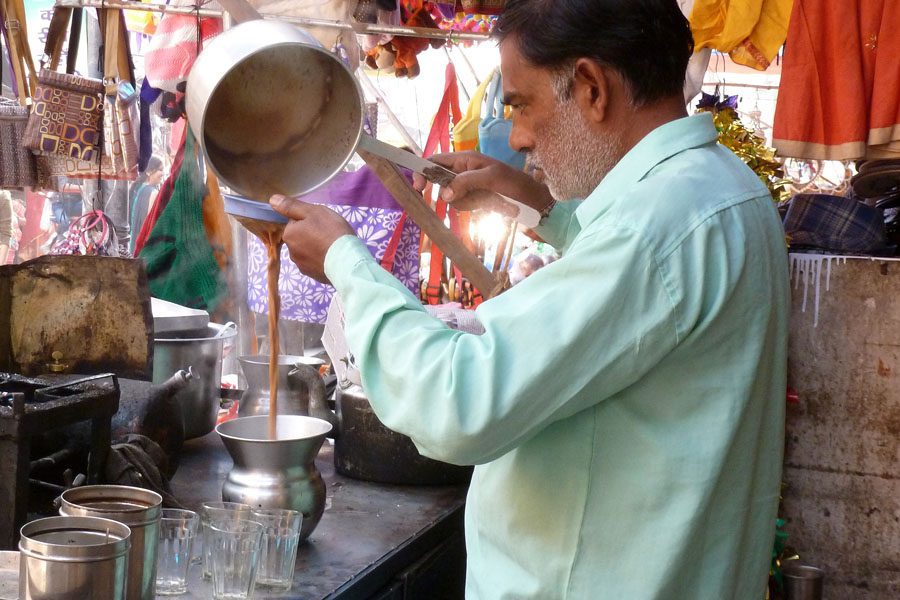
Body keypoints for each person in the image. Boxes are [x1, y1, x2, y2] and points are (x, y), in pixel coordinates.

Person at [271, 1, 789, 597]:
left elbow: (458, 402)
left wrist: (347, 264)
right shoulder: (724, 189)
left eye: (520, 103)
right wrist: (539, 206)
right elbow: (641, 297)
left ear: (592, 88)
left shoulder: (651, 230)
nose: (517, 138)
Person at [129, 156, 165, 253]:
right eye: (160, 170)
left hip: (135, 244)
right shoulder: (153, 193)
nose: (163, 173)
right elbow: (151, 223)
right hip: (146, 246)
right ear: (149, 172)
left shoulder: (140, 189)